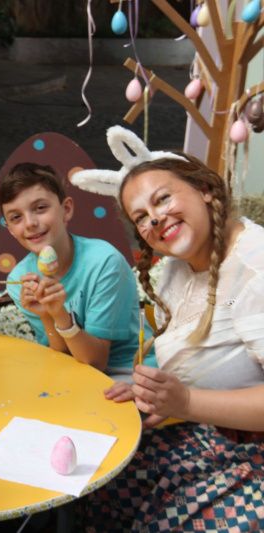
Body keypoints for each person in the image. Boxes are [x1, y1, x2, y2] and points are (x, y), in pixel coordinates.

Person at [72, 126, 264, 531]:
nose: (155, 218)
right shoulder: (177, 269)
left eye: (163, 198)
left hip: (251, 453)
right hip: (208, 431)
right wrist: (156, 393)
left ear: (206, 189)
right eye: (141, 217)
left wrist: (187, 402)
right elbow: (211, 357)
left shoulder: (254, 270)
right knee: (97, 479)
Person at [0, 162, 154, 378]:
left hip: (129, 372)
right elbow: (61, 354)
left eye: (40, 208)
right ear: (10, 229)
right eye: (16, 217)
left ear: (66, 209)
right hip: (76, 374)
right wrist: (46, 315)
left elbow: (95, 361)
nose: (30, 223)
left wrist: (60, 314)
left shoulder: (104, 263)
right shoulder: (19, 279)